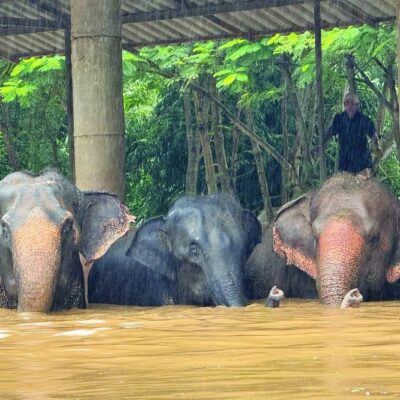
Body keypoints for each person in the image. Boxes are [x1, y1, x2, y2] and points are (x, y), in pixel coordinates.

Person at [324, 92, 382, 178]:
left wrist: (377, 147)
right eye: (347, 103)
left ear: (357, 105)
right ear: (344, 105)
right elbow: (331, 132)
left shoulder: (364, 119)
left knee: (362, 187)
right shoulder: (339, 118)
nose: (349, 106)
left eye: (352, 103)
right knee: (348, 187)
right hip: (346, 161)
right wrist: (321, 143)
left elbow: (373, 135)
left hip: (362, 161)